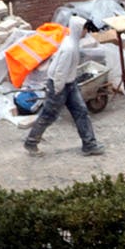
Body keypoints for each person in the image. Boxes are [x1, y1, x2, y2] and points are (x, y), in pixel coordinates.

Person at [19, 22, 102, 157]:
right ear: (80, 30)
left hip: (69, 83)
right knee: (49, 115)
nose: (86, 33)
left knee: (81, 112)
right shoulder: (69, 48)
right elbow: (60, 71)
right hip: (60, 85)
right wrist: (57, 89)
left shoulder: (71, 42)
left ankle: (89, 144)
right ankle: (31, 142)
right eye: (85, 30)